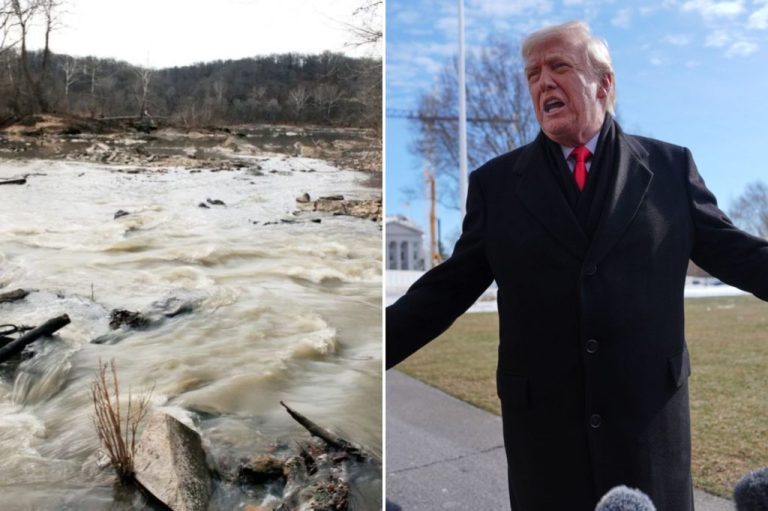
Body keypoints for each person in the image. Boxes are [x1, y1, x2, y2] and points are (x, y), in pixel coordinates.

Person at [386, 20, 768, 511]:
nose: (542, 81)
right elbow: (443, 292)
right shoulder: (496, 186)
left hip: (648, 429)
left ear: (603, 83)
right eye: (532, 74)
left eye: (558, 66)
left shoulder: (670, 170)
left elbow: (737, 253)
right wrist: (363, 354)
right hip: (545, 438)